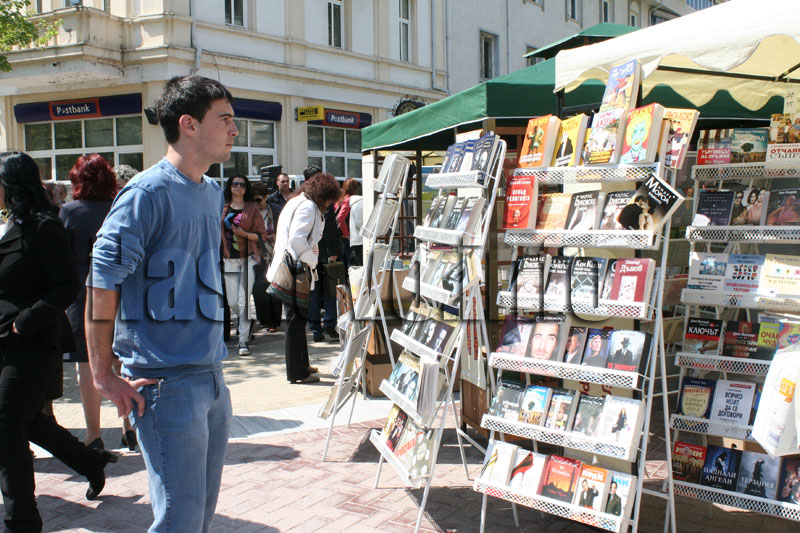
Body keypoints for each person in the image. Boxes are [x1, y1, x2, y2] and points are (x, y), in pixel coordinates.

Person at [86, 75, 237, 532]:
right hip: (166, 383)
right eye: (225, 119)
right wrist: (101, 373)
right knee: (178, 519)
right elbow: (101, 280)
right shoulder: (145, 194)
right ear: (188, 124)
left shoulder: (211, 191)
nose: (235, 130)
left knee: (197, 517)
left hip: (211, 376)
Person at [0, 151, 118, 532]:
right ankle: (90, 463)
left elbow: (67, 285)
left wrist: (25, 321)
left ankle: (22, 521)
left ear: (10, 185)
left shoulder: (43, 227)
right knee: (31, 422)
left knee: (6, 427)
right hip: (5, 340)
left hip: (34, 343)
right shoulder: (6, 225)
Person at [60, 153, 137, 450]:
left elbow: (64, 259)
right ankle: (129, 426)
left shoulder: (68, 212)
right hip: (120, 288)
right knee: (121, 360)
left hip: (83, 293)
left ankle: (94, 434)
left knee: (87, 364)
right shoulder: (120, 208)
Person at [268, 171, 340, 384]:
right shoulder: (308, 207)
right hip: (295, 270)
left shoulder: (296, 201)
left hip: (289, 267)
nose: (329, 204)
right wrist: (313, 261)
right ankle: (297, 372)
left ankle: (302, 365)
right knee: (296, 321)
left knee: (298, 319)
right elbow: (298, 240)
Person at [221, 174, 268, 356]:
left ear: (246, 188)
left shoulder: (252, 209)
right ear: (230, 187)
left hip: (247, 258)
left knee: (243, 299)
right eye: (235, 183)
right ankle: (247, 323)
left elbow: (261, 235)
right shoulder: (223, 208)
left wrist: (243, 234)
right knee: (233, 301)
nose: (238, 187)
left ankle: (243, 341)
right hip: (229, 259)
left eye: (241, 184)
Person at [305, 166, 340, 343]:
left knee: (328, 291)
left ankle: (328, 325)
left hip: (324, 252)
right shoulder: (304, 202)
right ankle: (317, 328)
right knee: (316, 291)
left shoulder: (326, 201)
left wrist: (332, 251)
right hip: (310, 253)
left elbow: (331, 227)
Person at [250, 183, 281, 332]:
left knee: (274, 286)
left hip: (274, 252)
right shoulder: (248, 212)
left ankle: (274, 321)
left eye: (258, 200)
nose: (256, 204)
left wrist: (276, 237)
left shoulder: (276, 210)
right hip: (256, 253)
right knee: (258, 288)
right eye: (253, 200)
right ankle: (264, 319)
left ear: (266, 197)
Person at [336, 178, 360, 270]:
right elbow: (340, 218)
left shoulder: (341, 199)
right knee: (350, 262)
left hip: (340, 236)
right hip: (345, 236)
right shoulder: (348, 200)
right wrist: (346, 234)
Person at [348, 192, 363, 267]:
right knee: (361, 264)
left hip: (356, 239)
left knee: (359, 265)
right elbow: (359, 224)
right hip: (360, 240)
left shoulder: (356, 204)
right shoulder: (361, 204)